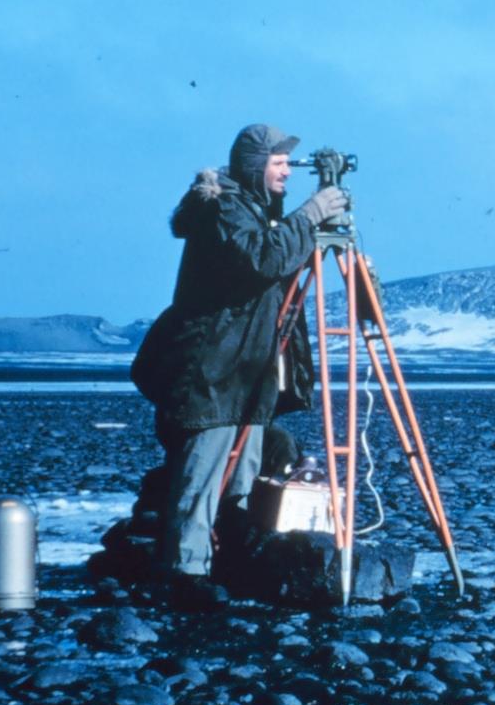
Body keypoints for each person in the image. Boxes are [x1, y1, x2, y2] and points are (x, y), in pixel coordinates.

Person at [130, 123, 348, 603]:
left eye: (289, 162)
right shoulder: (224, 208)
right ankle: (183, 575)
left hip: (245, 367)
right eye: (278, 162)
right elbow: (262, 261)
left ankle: (228, 564)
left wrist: (307, 224)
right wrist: (312, 213)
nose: (287, 171)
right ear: (254, 167)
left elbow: (279, 262)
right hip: (213, 366)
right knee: (203, 472)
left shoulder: (252, 210)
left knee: (241, 474)